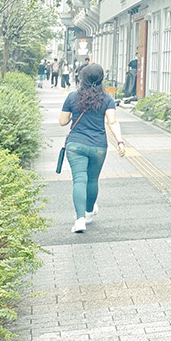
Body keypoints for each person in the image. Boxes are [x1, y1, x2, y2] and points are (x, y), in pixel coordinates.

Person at [57, 62, 125, 233]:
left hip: (75, 144)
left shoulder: (72, 97)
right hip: (98, 146)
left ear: (82, 78)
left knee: (79, 180)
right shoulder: (107, 99)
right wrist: (120, 141)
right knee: (92, 180)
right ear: (101, 79)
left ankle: (79, 220)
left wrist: (75, 112)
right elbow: (112, 121)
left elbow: (62, 121)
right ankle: (88, 212)